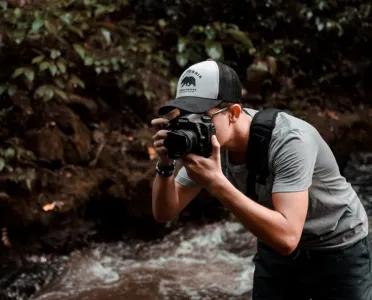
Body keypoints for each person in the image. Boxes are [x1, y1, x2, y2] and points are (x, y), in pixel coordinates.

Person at [151, 59, 372, 299]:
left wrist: (217, 182)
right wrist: (165, 165)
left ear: (234, 113)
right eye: (183, 115)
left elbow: (288, 237)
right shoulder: (208, 144)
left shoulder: (290, 140)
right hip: (275, 246)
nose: (190, 126)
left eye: (200, 116)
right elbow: (165, 212)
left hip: (337, 244)